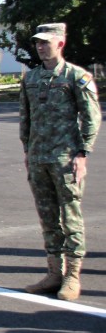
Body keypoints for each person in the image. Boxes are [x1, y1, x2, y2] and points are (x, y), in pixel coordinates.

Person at [20, 23, 101, 301]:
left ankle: (72, 276)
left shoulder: (76, 77)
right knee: (48, 219)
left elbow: (92, 118)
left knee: (70, 217)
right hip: (39, 157)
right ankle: (54, 272)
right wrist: (27, 151)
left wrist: (82, 153)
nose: (41, 47)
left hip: (65, 159)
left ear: (60, 44)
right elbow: (26, 118)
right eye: (37, 43)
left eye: (46, 42)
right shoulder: (31, 78)